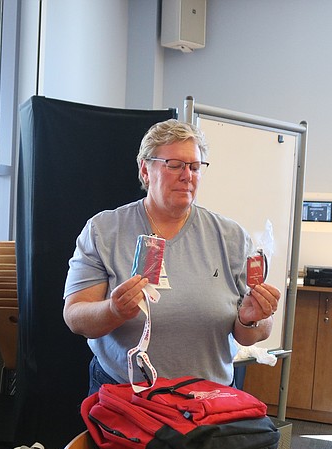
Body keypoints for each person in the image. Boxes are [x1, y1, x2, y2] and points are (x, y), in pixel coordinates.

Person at [63, 119, 281, 395]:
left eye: (194, 167)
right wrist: (114, 311)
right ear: (145, 169)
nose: (187, 175)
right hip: (125, 397)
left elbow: (253, 332)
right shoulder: (104, 231)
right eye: (175, 165)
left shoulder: (231, 237)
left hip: (207, 401)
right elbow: (75, 316)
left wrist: (252, 319)